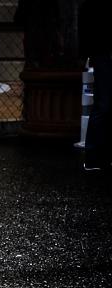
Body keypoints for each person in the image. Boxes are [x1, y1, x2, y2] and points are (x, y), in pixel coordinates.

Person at [80, 0, 112, 171]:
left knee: (103, 104)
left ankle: (95, 156)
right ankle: (93, 156)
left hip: (102, 51)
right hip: (103, 52)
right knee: (103, 104)